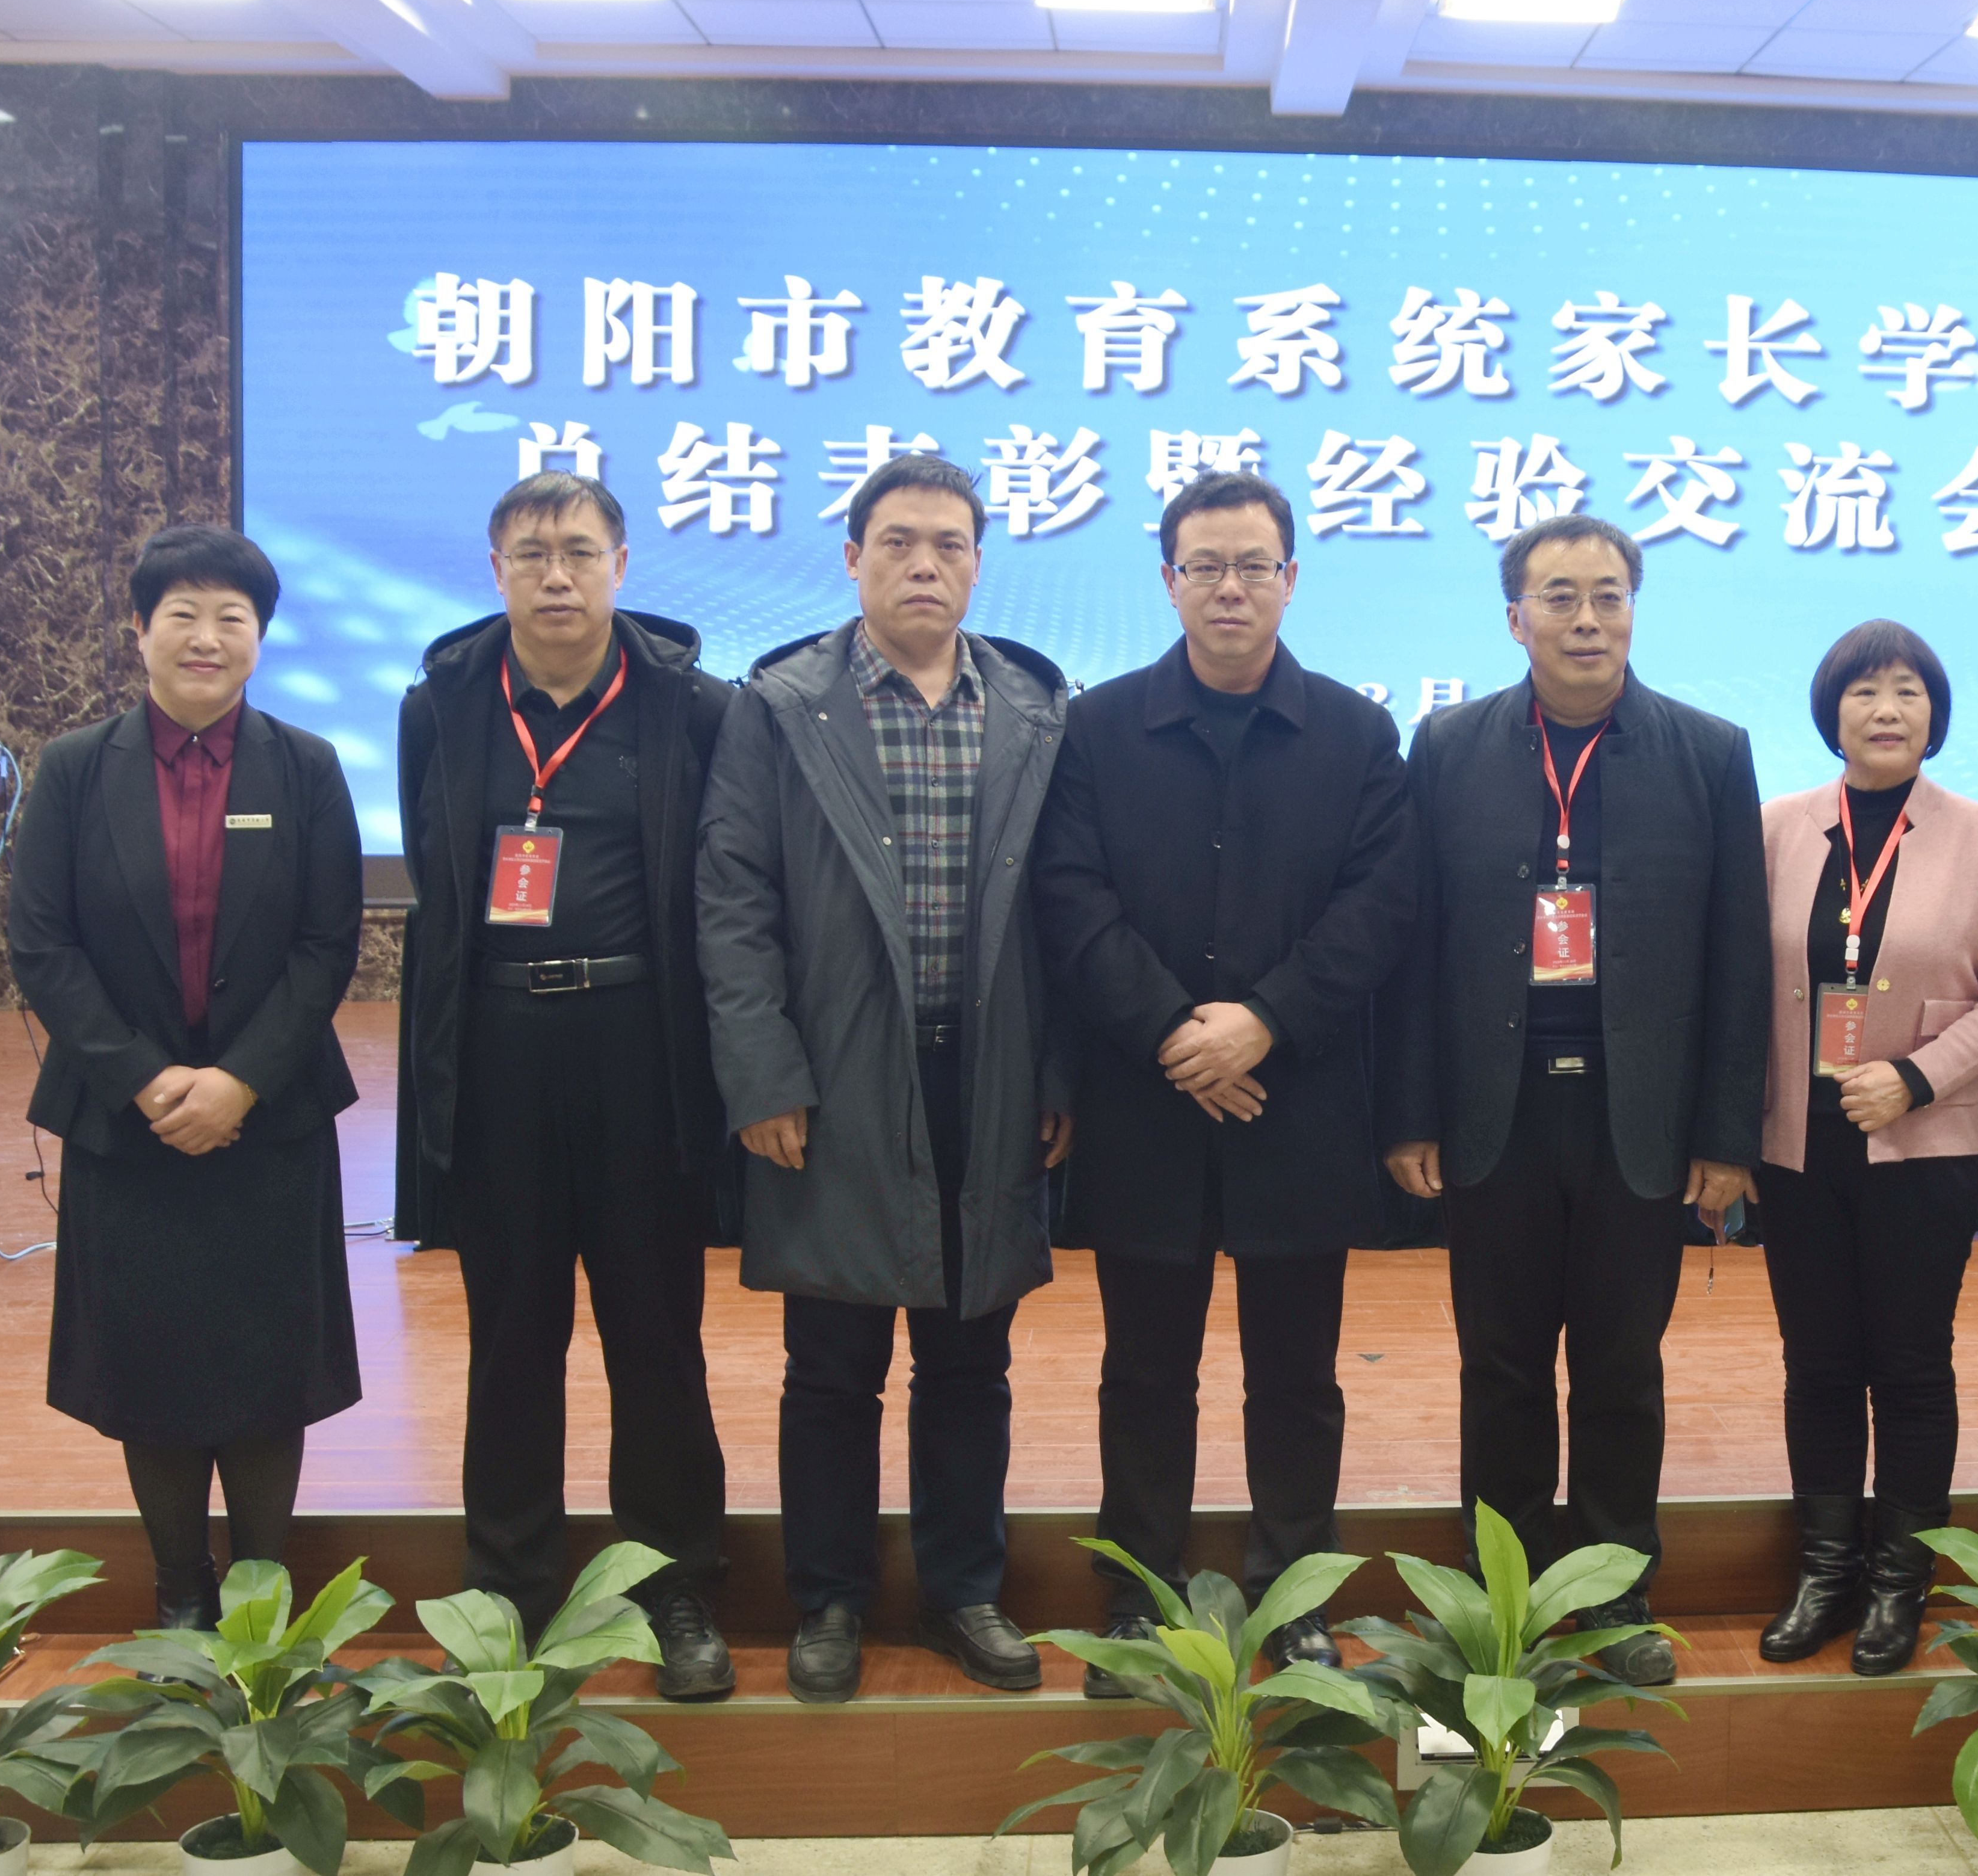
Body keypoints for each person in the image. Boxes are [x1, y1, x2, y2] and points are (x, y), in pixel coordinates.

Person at [1032, 470, 1416, 1693]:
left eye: (1255, 565)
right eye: (1206, 565)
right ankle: (1139, 1602)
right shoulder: (1097, 728)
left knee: (1296, 1375)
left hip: (1295, 1099)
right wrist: (1174, 1033)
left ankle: (1294, 1595)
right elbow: (1069, 895)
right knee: (1145, 1372)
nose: (1231, 587)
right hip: (1147, 1102)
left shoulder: (1357, 734)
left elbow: (1379, 906)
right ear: (1169, 581)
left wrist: (1263, 1023)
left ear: (1291, 579)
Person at [697, 454, 1074, 1699]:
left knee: (971, 1362)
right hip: (836, 1076)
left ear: (979, 562)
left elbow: (1064, 910)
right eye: (899, 542)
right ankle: (830, 1599)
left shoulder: (1032, 706)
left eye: (949, 544)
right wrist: (764, 1072)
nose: (925, 564)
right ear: (852, 556)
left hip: (990, 1076)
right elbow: (734, 899)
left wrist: (1057, 1070)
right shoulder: (782, 706)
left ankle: (965, 1589)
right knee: (831, 1365)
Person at [1378, 512, 1767, 1688]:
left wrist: (1727, 1136)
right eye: (1560, 596)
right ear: (1516, 618)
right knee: (1498, 1367)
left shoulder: (1709, 751)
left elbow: (1739, 960)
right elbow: (1412, 943)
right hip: (1492, 1113)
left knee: (1619, 1367)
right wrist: (1410, 1111)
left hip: (1635, 1116)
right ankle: (1501, 1597)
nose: (1586, 618)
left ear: (1634, 610)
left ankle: (1613, 1592)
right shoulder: (1448, 746)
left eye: (1608, 595)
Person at [393, 472, 736, 1697]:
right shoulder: (441, 704)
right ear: (495, 569)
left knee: (657, 1335)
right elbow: (435, 890)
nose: (557, 575)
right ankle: (510, 1592)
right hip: (500, 1048)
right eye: (532, 553)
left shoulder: (692, 705)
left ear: (621, 566)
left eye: (580, 552)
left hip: (642, 1043)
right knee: (511, 1337)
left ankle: (675, 1587)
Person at [10, 525, 362, 1630]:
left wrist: (239, 1082)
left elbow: (328, 945)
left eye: (232, 618)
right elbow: (42, 945)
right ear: (139, 628)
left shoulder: (306, 767)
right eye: (183, 615)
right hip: (129, 1122)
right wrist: (146, 1078)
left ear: (260, 636)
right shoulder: (76, 768)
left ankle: (261, 1590)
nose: (207, 638)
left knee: (267, 1365)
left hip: (270, 1114)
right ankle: (179, 1589)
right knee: (149, 1364)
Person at [1752, 620, 1978, 1675]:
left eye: (1909, 691)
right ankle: (1825, 1568)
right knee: (1817, 1365)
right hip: (1798, 1149)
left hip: (1924, 1147)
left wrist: (1917, 1076)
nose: (1886, 710)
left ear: (1936, 714)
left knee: (1912, 1366)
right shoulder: (1778, 826)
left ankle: (1898, 1578)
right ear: (1829, 711)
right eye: (1865, 691)